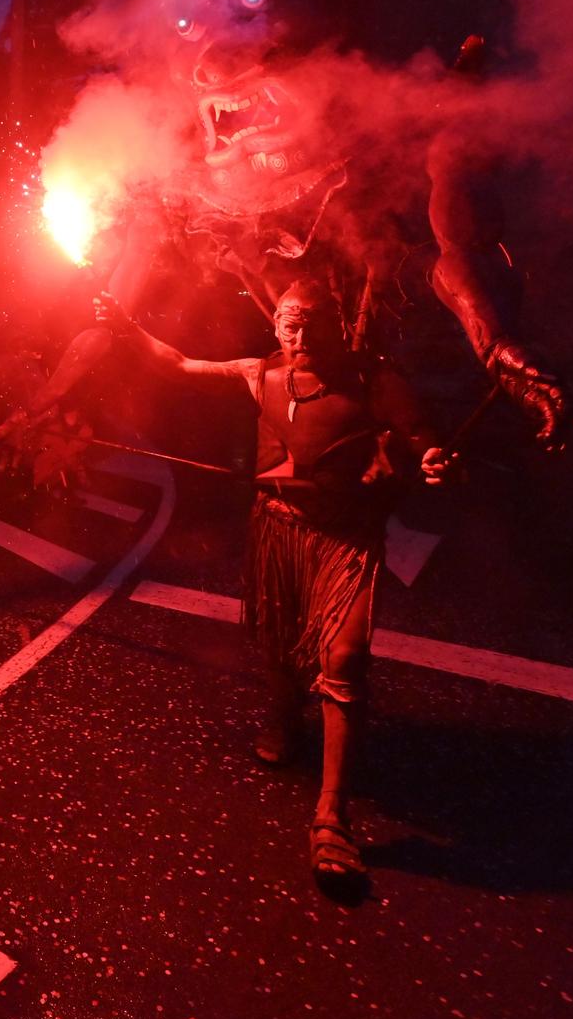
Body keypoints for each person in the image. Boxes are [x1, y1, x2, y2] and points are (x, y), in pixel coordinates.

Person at [97, 279, 454, 888]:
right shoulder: (258, 371)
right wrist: (127, 326)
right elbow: (181, 365)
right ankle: (285, 714)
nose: (299, 335)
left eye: (312, 322)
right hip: (277, 530)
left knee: (345, 660)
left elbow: (421, 434)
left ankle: (332, 814)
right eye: (289, 322)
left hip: (344, 538)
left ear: (337, 324)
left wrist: (429, 456)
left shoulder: (375, 382)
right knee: (279, 639)